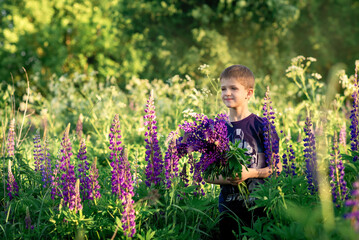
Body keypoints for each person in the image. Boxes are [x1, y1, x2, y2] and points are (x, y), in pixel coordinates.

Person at [204, 65, 282, 239]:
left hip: (260, 207)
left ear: (249, 93)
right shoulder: (216, 130)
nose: (227, 93)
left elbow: (277, 168)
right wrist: (229, 178)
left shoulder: (262, 126)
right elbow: (207, 174)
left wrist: (250, 173)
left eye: (233, 88)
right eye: (223, 88)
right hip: (228, 210)